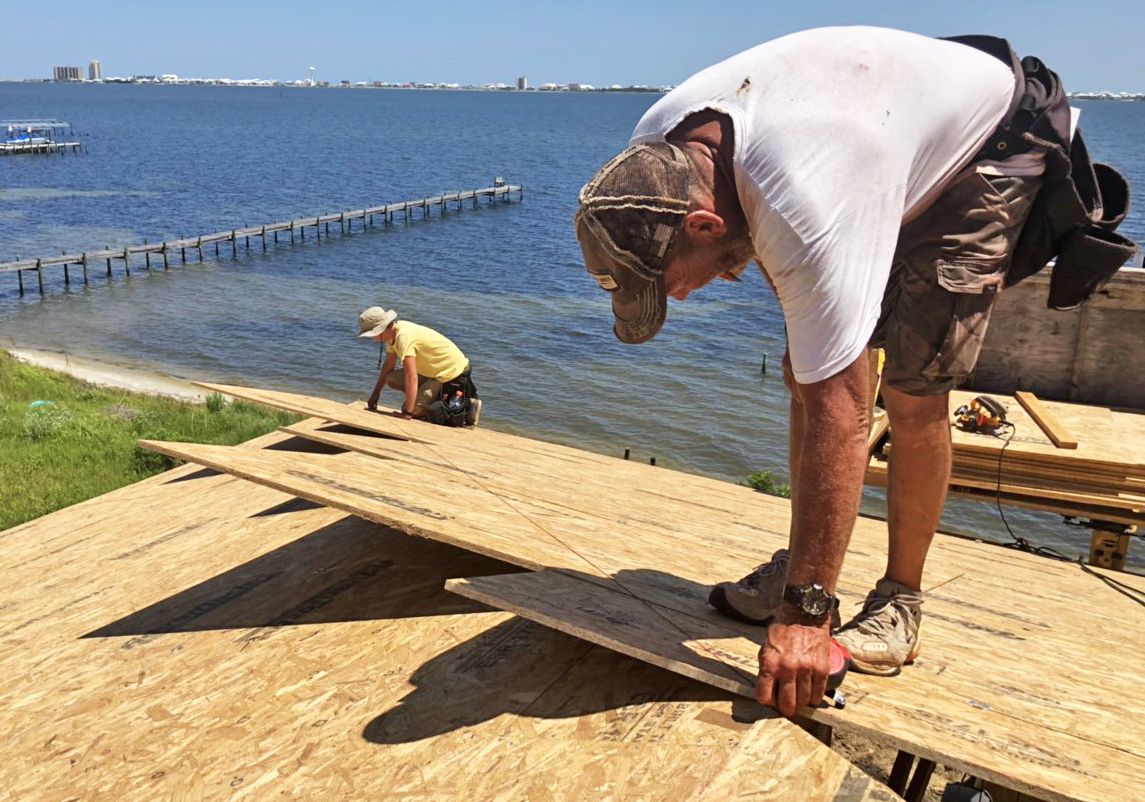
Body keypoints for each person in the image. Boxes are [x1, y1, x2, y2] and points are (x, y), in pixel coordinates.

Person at [573, 27, 1060, 718]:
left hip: (984, 149)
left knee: (911, 390)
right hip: (862, 140)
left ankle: (900, 598)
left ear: (706, 225)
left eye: (671, 284)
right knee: (805, 368)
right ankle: (801, 566)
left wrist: (807, 616)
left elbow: (844, 410)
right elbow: (818, 370)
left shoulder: (804, 197)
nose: (680, 298)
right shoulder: (655, 153)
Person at [357, 306, 481, 425]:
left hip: (449, 372)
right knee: (390, 379)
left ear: (382, 329)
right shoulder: (391, 335)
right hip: (431, 370)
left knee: (412, 409)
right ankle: (427, 398)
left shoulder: (403, 338)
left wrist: (407, 413)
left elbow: (411, 376)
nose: (372, 338)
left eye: (372, 334)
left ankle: (466, 405)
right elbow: (389, 365)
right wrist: (375, 394)